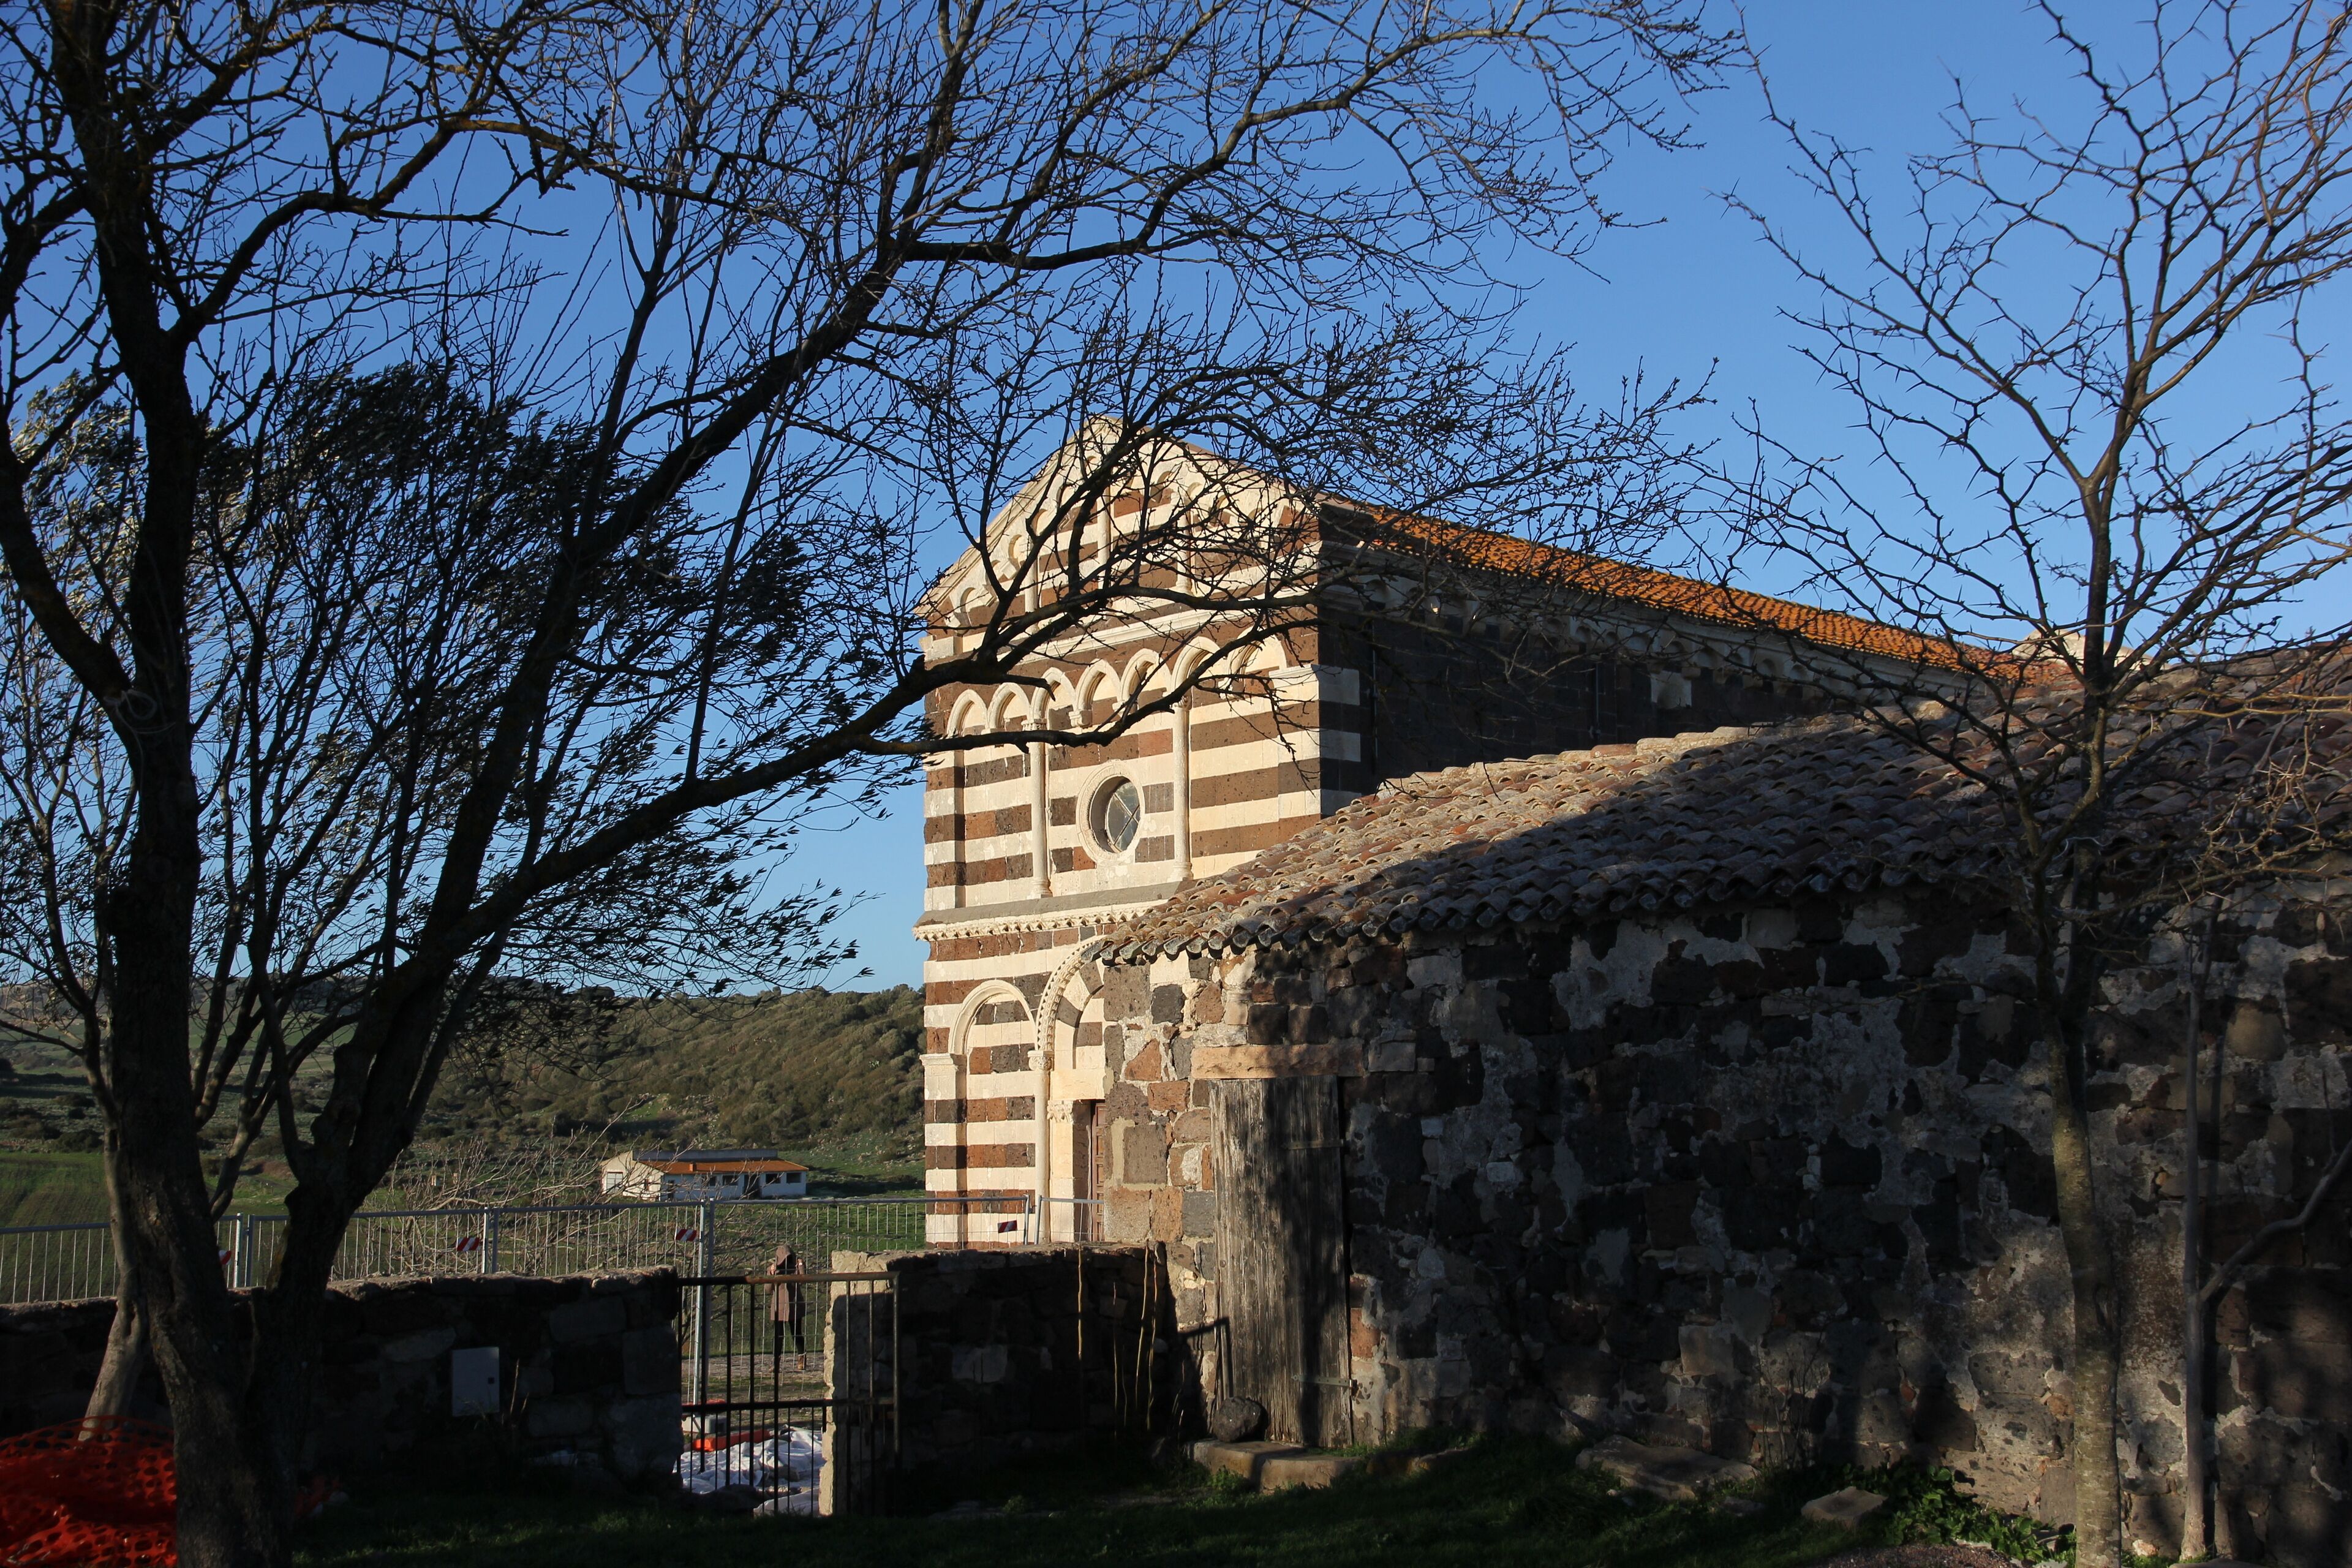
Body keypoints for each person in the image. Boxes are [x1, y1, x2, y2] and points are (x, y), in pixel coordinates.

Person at [767, 1243, 805, 1357]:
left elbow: (803, 1280)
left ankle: (802, 1358)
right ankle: (776, 1361)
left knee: (796, 1333)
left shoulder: (796, 1268)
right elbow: (768, 1289)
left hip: (795, 1306)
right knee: (778, 1335)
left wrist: (801, 1266)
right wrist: (771, 1274)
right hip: (779, 1307)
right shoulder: (773, 1270)